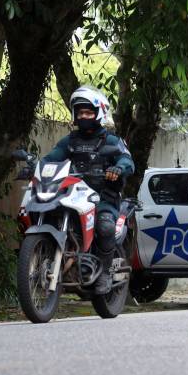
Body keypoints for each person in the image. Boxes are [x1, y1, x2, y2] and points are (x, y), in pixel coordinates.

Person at [44, 86, 134, 294]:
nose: (83, 116)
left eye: (88, 113)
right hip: (74, 197)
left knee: (105, 226)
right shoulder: (69, 141)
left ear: (98, 113)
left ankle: (104, 274)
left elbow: (127, 160)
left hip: (103, 198)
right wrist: (36, 167)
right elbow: (51, 158)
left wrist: (118, 168)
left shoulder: (111, 140)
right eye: (80, 112)